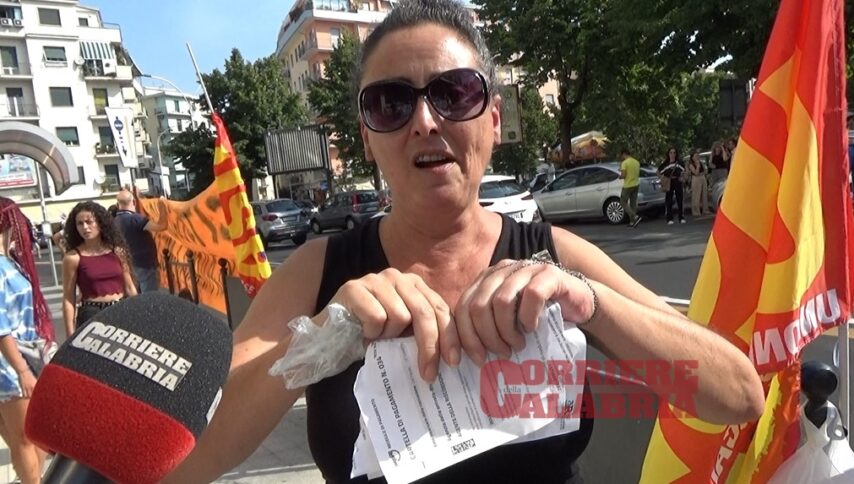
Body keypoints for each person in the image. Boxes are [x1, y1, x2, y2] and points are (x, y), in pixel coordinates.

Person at [164, 1, 764, 482]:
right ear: (366, 137)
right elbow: (187, 461)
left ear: (494, 120)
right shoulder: (319, 271)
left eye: (453, 94)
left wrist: (590, 301)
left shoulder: (552, 254)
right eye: (391, 103)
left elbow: (737, 394)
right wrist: (324, 336)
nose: (426, 121)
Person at [0, 197, 53, 483]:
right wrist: (22, 370)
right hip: (11, 365)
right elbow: (1, 327)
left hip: (21, 358)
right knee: (26, 437)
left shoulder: (9, 261)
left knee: (24, 437)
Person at [61, 201, 137, 338]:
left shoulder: (118, 252)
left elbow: (130, 287)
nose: (85, 227)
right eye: (80, 223)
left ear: (100, 223)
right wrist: (70, 335)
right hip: (91, 314)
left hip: (120, 310)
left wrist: (140, 316)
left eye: (89, 222)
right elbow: (68, 298)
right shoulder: (73, 257)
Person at [113, 189, 166, 293]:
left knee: (136, 296)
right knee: (149, 297)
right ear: (133, 202)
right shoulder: (135, 219)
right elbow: (161, 226)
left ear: (117, 204)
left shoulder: (115, 221)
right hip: (144, 265)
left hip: (128, 266)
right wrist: (162, 206)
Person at [659, 147, 686, 225]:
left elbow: (684, 171)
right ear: (668, 154)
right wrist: (662, 178)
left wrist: (682, 177)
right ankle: (669, 218)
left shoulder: (680, 163)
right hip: (669, 182)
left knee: (680, 199)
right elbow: (658, 172)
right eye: (671, 152)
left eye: (674, 153)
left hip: (677, 181)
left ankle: (681, 217)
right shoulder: (665, 164)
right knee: (669, 200)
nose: (672, 154)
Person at [618, 148, 642, 228]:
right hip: (636, 184)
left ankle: (635, 216)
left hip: (628, 185)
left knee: (623, 202)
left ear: (624, 154)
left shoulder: (625, 163)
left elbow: (623, 175)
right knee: (633, 203)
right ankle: (632, 222)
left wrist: (620, 176)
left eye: (621, 155)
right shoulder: (636, 162)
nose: (621, 157)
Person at [687, 150, 710, 216]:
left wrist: (702, 172)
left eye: (698, 156)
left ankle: (705, 210)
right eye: (695, 156)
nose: (697, 157)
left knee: (704, 194)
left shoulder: (701, 162)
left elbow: (705, 171)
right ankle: (696, 211)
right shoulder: (691, 164)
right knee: (696, 196)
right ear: (692, 157)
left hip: (703, 178)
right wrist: (697, 166)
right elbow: (696, 173)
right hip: (696, 179)